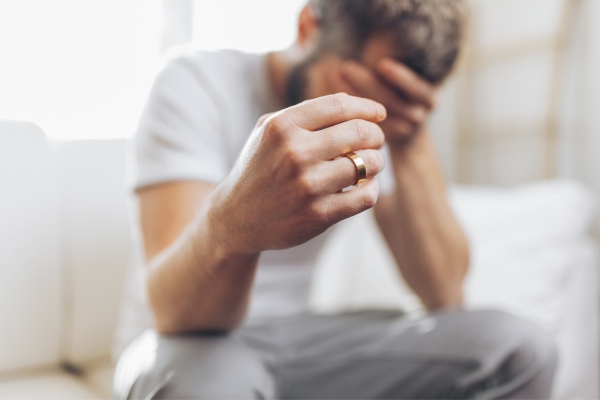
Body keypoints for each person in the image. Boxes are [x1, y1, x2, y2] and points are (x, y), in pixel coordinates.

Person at [114, 0, 557, 398]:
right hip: (178, 344)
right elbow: (173, 311)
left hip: (299, 340)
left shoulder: (381, 122)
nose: (364, 110)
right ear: (307, 26)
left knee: (518, 348)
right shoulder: (194, 82)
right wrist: (235, 226)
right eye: (352, 84)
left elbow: (445, 293)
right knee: (213, 388)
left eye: (399, 100)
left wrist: (410, 137)